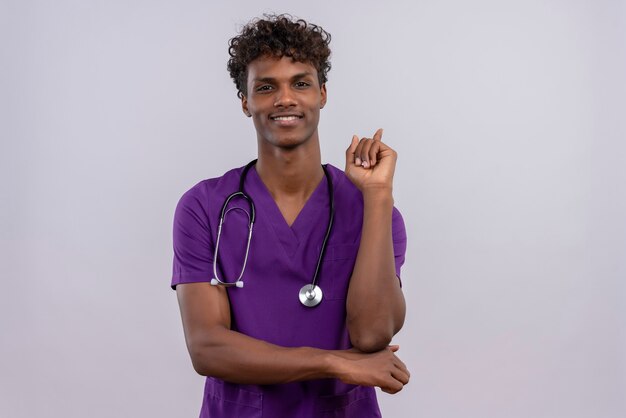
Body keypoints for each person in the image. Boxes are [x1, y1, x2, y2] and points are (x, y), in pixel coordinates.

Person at [171, 14, 409, 417]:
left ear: (322, 94)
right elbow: (207, 348)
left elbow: (372, 334)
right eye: (266, 87)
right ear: (246, 102)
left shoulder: (372, 211)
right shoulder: (204, 207)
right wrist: (332, 361)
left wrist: (379, 195)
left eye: (300, 83)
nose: (285, 99)